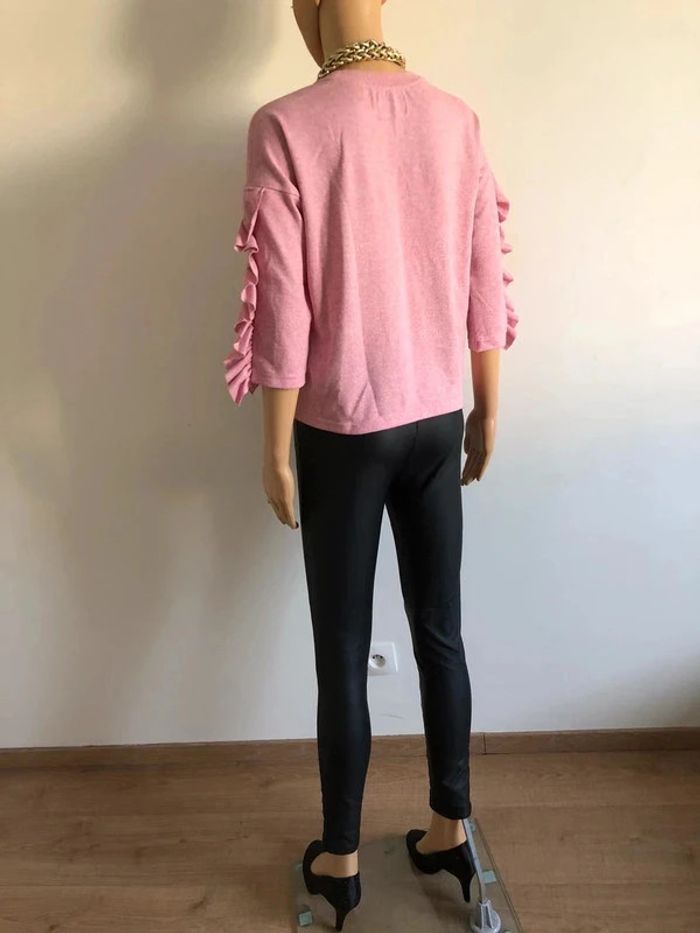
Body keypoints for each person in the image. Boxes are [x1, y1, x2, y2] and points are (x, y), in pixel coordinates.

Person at [222, 0, 518, 927]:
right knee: (441, 633)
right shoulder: (455, 119)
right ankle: (451, 829)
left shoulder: (286, 124)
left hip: (342, 427)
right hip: (437, 414)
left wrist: (274, 447)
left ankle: (341, 861)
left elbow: (284, 305)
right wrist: (488, 407)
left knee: (342, 650)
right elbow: (483, 274)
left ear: (308, 9)